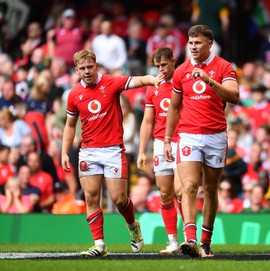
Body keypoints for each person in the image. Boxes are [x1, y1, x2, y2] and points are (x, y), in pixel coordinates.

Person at [61, 49, 163, 257]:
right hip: (88, 151)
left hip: (113, 150)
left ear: (96, 66)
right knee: (91, 197)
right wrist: (64, 152)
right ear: (76, 70)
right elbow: (70, 125)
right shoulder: (74, 95)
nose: (87, 71)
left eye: (90, 67)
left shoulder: (111, 82)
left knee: (119, 199)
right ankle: (99, 245)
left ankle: (133, 226)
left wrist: (152, 79)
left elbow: (137, 80)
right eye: (83, 68)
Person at [163, 24, 239, 258]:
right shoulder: (181, 71)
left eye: (198, 42)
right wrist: (167, 139)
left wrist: (210, 81)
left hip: (216, 135)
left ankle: (206, 242)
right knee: (188, 187)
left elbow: (234, 97)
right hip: (188, 136)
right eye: (191, 42)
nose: (193, 46)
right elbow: (174, 107)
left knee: (211, 189)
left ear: (209, 44)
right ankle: (191, 240)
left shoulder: (224, 67)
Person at [137, 47, 183, 255]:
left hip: (182, 141)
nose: (161, 69)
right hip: (158, 144)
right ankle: (172, 241)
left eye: (164, 65)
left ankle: (190, 238)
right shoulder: (152, 88)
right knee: (165, 194)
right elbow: (147, 121)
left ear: (173, 61)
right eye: (157, 66)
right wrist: (141, 151)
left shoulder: (182, 82)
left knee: (183, 192)